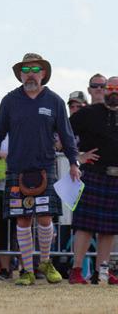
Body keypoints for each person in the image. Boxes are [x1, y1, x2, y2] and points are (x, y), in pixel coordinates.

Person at [0, 52, 80, 287]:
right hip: (17, 168)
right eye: (25, 70)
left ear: (44, 73)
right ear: (20, 74)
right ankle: (27, 270)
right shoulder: (10, 100)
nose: (30, 74)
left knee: (46, 218)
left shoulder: (55, 101)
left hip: (45, 167)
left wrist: (73, 163)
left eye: (35, 69)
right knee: (22, 220)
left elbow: (67, 135)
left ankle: (46, 262)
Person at [68, 74, 118, 286]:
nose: (113, 93)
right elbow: (63, 133)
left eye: (117, 89)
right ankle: (76, 271)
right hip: (94, 174)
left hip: (115, 178)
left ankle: (101, 272)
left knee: (109, 228)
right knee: (85, 226)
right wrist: (77, 156)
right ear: (104, 90)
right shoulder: (88, 113)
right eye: (110, 88)